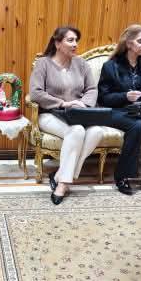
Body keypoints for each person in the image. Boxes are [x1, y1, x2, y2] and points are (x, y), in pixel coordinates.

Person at [29, 26, 101, 205]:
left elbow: (92, 89)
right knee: (77, 131)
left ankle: (60, 174)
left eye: (76, 40)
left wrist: (83, 104)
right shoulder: (43, 64)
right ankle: (63, 185)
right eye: (70, 40)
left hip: (78, 114)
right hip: (51, 114)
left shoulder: (81, 64)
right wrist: (63, 103)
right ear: (57, 43)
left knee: (97, 132)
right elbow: (36, 93)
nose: (75, 44)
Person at [97, 24, 141, 195]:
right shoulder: (111, 66)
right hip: (118, 111)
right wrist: (125, 96)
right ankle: (122, 176)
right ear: (128, 44)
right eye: (140, 41)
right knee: (138, 126)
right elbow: (103, 98)